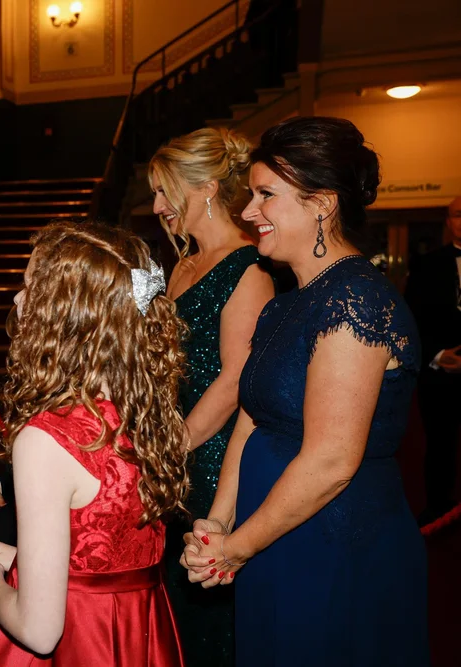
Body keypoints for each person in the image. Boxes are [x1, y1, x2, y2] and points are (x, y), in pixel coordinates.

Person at [181, 117, 430, 666]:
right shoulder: (284, 303)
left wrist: (235, 549)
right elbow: (250, 420)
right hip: (267, 535)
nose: (248, 212)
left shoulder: (356, 300)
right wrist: (219, 522)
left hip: (334, 546)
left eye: (265, 195)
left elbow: (332, 460)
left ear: (322, 204)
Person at [0, 221, 188, 666]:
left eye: (30, 289)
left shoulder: (48, 439)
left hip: (83, 648)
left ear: (65, 315)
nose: (17, 300)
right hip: (137, 633)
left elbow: (41, 632)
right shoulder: (150, 412)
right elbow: (109, 563)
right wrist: (18, 561)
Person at [148, 127, 274, 667]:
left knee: (209, 609)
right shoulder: (180, 264)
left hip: (215, 455)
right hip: (171, 451)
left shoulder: (249, 268)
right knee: (172, 601)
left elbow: (233, 380)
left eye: (164, 190)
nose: (156, 206)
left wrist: (175, 443)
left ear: (203, 187)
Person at [405, 196, 461, 525]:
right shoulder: (427, 264)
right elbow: (410, 321)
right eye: (458, 215)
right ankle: (438, 507)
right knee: (439, 446)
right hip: (437, 374)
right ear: (448, 221)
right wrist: (438, 355)